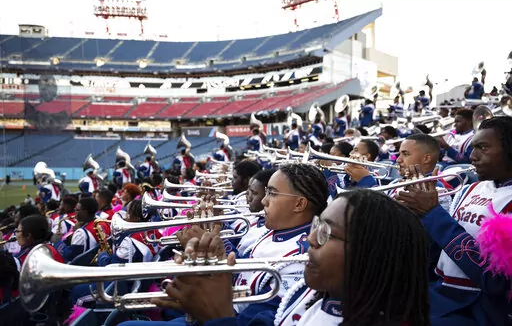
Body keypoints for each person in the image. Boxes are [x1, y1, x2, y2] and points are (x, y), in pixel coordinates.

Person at [139, 190, 430, 326]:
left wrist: (218, 316)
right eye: (317, 226)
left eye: (326, 232)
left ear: (370, 254)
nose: (310, 239)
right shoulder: (307, 293)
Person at [396, 116, 512, 326]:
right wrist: (415, 215)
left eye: (483, 148)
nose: (473, 157)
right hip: (439, 292)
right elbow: (437, 253)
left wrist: (433, 213)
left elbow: (494, 281)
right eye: (473, 148)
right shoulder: (470, 189)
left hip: (476, 310)